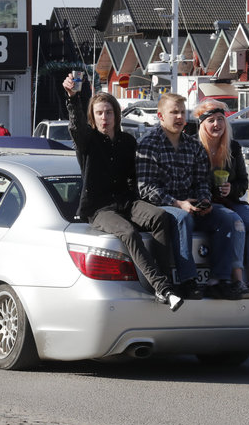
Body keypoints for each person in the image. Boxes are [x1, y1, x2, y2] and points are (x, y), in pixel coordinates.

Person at [62, 73, 183, 311]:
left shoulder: (128, 141)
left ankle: (166, 279)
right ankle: (162, 287)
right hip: (99, 208)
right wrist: (72, 98)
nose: (104, 117)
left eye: (108, 112)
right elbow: (76, 126)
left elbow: (137, 176)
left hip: (127, 202)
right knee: (128, 232)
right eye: (99, 113)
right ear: (93, 117)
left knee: (160, 217)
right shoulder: (88, 141)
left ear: (116, 115)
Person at [136, 92, 244, 300]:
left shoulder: (193, 146)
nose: (179, 117)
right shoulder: (149, 144)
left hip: (191, 203)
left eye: (182, 113)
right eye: (173, 112)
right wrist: (178, 203)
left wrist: (204, 200)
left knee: (226, 218)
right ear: (160, 116)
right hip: (164, 205)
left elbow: (201, 181)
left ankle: (219, 280)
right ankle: (188, 280)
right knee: (182, 217)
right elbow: (146, 188)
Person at [193, 99, 249, 298]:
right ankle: (238, 280)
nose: (216, 125)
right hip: (207, 203)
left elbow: (242, 183)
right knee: (235, 222)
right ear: (202, 124)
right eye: (211, 120)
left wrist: (231, 188)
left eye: (220, 119)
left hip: (231, 201)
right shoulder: (194, 147)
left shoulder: (233, 147)